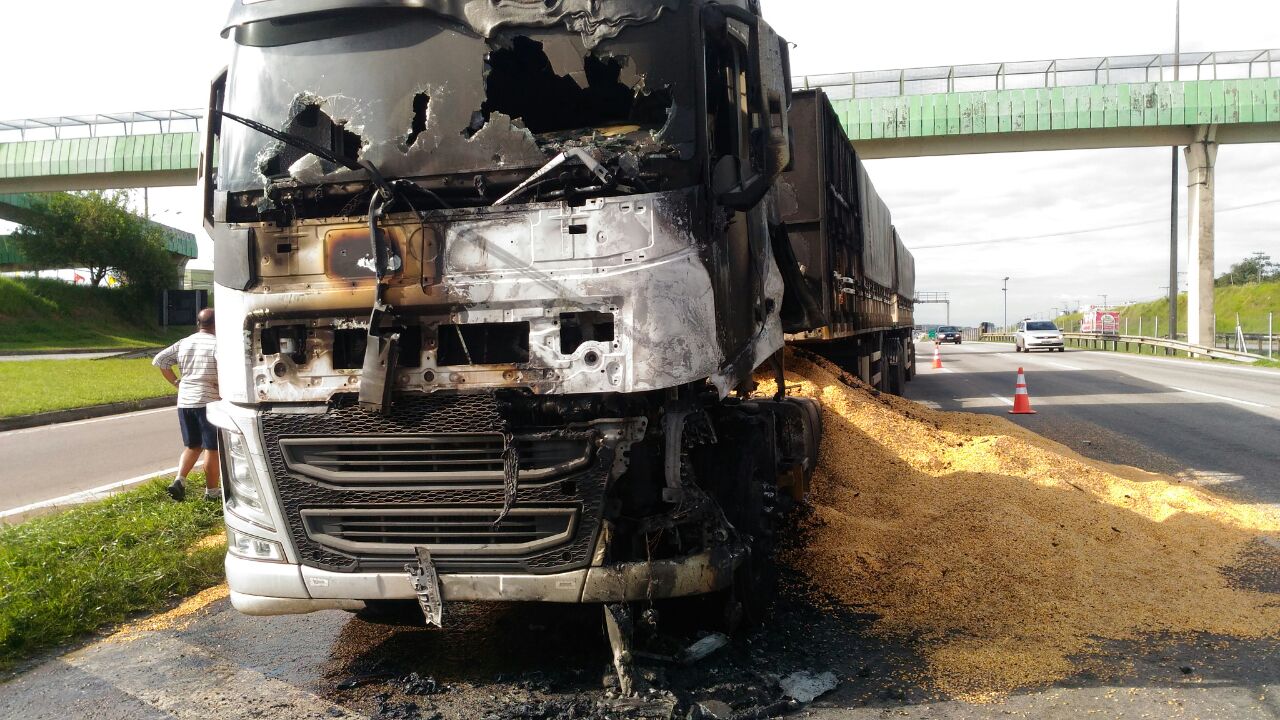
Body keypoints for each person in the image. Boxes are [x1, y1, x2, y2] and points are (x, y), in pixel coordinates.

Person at [153, 308, 221, 501]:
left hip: (185, 400)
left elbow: (160, 361)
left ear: (199, 324)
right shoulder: (217, 344)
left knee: (193, 445)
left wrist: (176, 382)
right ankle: (212, 492)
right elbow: (223, 372)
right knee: (212, 448)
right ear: (216, 324)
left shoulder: (184, 342)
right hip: (207, 402)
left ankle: (179, 480)